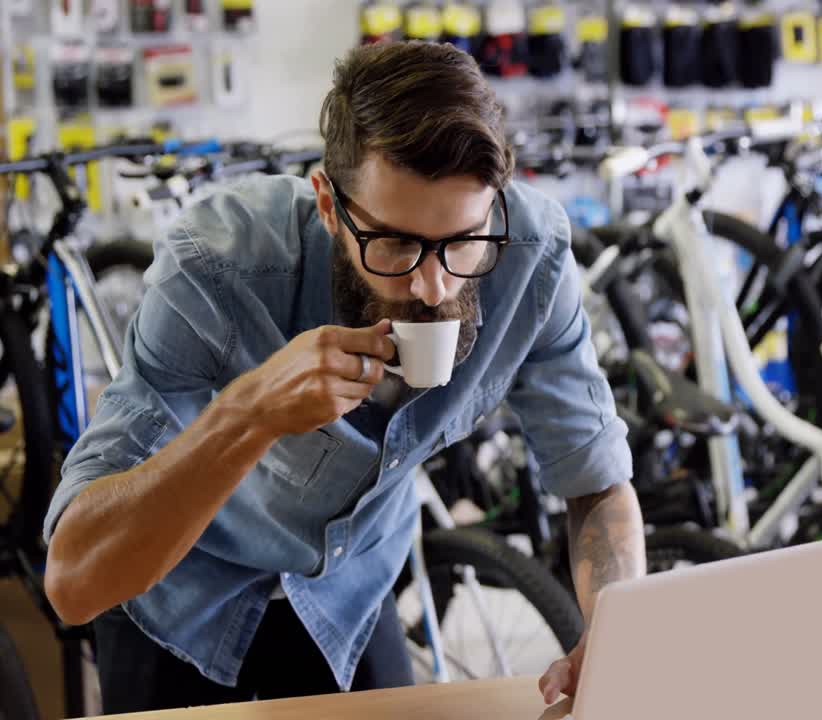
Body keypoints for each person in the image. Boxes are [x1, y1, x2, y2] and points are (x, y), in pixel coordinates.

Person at [41, 41, 644, 713]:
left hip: (345, 593)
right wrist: (250, 413)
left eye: (463, 241)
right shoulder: (218, 263)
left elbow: (596, 480)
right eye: (396, 243)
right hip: (180, 594)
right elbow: (74, 581)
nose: (433, 286)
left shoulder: (530, 256)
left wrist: (613, 633)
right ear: (329, 206)